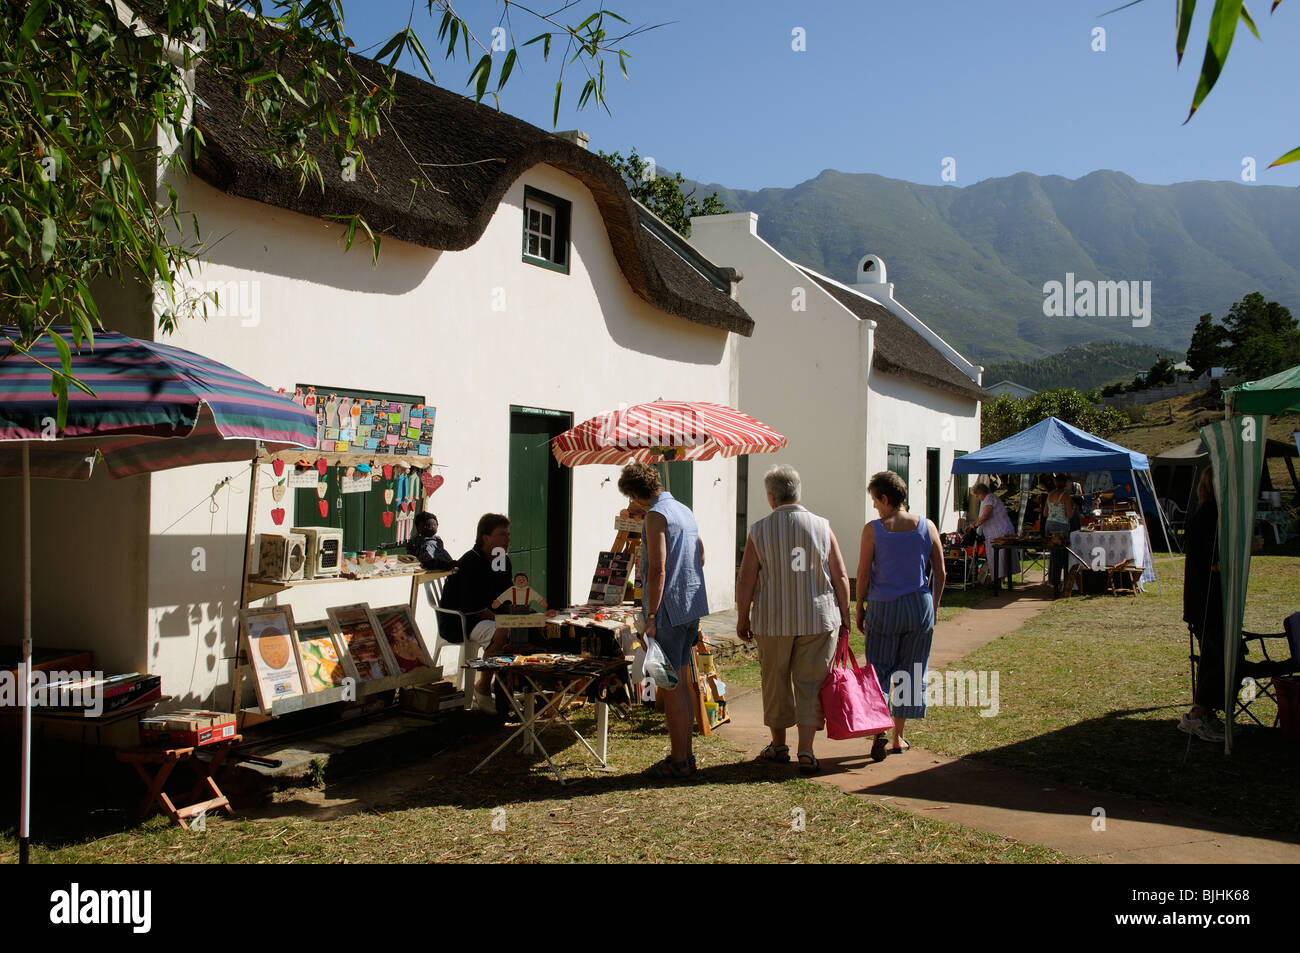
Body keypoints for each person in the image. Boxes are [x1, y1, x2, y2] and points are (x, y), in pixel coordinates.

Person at [736, 465, 851, 774]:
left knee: (775, 682)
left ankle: (778, 745)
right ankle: (807, 749)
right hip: (817, 618)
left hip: (773, 621)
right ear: (797, 492)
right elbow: (840, 574)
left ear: (771, 497)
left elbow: (746, 578)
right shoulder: (821, 526)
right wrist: (846, 614)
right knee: (811, 683)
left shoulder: (759, 530)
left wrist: (742, 615)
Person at [618, 462, 708, 780]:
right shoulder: (683, 509)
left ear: (634, 494)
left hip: (668, 609)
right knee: (680, 684)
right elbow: (700, 555)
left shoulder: (656, 515)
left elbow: (657, 569)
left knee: (669, 688)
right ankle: (684, 756)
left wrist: (652, 616)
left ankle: (679, 759)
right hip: (691, 604)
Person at [855, 471, 946, 762]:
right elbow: (940, 571)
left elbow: (864, 573)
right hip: (919, 606)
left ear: (885, 498)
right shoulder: (927, 526)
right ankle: (898, 737)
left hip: (884, 607)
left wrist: (859, 606)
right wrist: (935, 604)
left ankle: (879, 732)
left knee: (879, 670)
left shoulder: (874, 529)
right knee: (910, 670)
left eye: (875, 500)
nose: (874, 507)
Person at [1180, 468, 1239, 742]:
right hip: (1204, 600)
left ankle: (1206, 712)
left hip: (1212, 599)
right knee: (1214, 659)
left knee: (1222, 657)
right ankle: (1197, 715)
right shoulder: (1207, 515)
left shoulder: (1212, 512)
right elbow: (1209, 561)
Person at [437, 513, 513, 714]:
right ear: (485, 537)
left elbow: (506, 595)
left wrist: (519, 612)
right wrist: (501, 619)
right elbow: (470, 604)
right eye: (502, 534)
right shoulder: (470, 562)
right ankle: (483, 686)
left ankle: (506, 692)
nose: (507, 540)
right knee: (503, 632)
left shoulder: (502, 561)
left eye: (508, 534)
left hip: (491, 618)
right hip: (462, 620)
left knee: (521, 631)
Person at [971, 482, 1019, 586]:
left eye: (977, 495)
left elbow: (985, 515)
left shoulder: (989, 499)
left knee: (999, 558)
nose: (978, 498)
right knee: (1000, 558)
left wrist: (974, 525)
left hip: (999, 532)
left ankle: (998, 580)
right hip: (997, 532)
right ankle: (999, 580)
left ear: (981, 493)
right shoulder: (990, 498)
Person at [1043, 474, 1075, 598]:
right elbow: (1069, 514)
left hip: (1049, 525)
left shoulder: (1049, 495)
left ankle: (1052, 578)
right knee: (1061, 554)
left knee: (1052, 553)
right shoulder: (1066, 496)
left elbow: (1045, 513)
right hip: (1060, 526)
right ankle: (1059, 580)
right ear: (1065, 483)